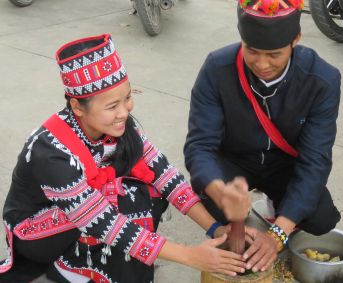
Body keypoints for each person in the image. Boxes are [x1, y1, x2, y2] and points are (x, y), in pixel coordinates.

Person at [0, 34, 249, 283]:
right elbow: (104, 222)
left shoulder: (120, 126)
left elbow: (166, 176)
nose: (124, 112)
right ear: (77, 107)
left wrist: (215, 228)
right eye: (112, 106)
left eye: (127, 98)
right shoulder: (51, 151)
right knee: (119, 202)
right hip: (36, 234)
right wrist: (190, 256)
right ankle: (72, 266)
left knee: (148, 190)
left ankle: (97, 259)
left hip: (85, 214)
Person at [184, 0, 342, 274]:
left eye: (274, 54)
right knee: (211, 203)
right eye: (252, 50)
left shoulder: (322, 80)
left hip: (283, 165)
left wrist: (277, 233)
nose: (261, 63)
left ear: (296, 40)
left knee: (320, 219)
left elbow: (315, 161)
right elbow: (200, 146)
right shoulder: (216, 68)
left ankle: (276, 207)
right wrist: (220, 192)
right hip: (235, 162)